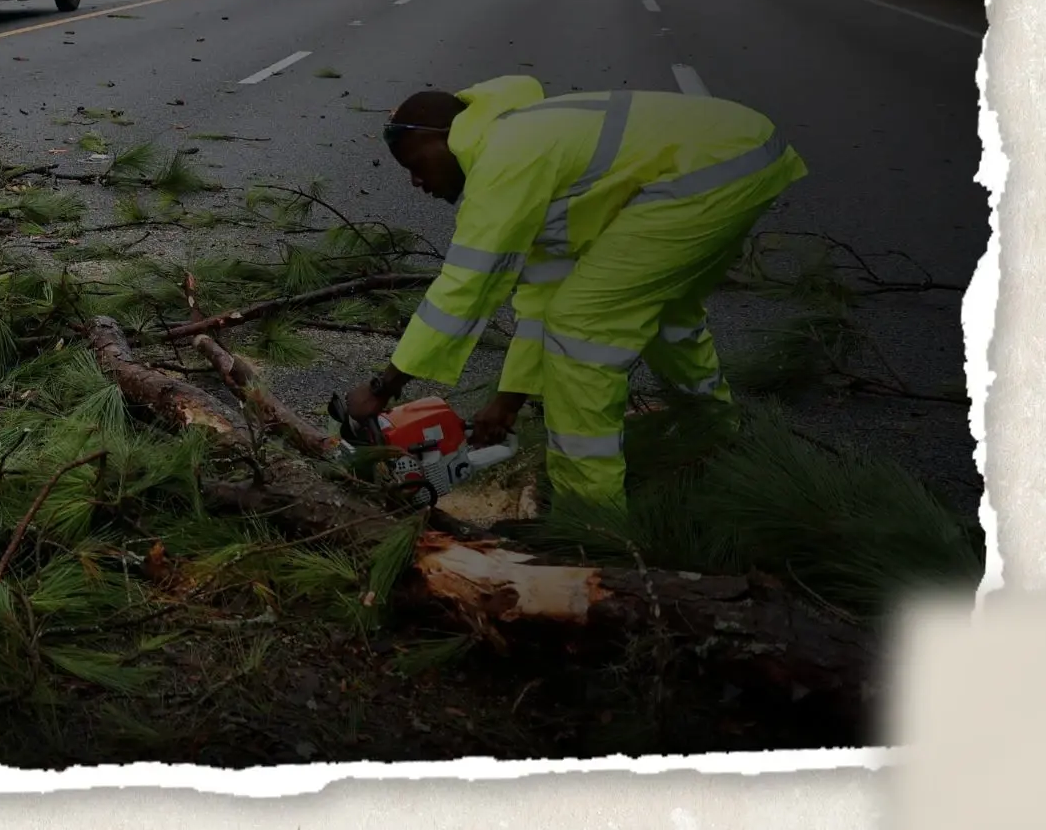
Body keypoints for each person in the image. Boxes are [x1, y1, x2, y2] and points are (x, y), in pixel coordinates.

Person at [331, 75, 808, 527]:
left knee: (583, 330)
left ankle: (590, 523)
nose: (416, 181)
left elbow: (465, 287)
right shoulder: (521, 143)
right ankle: (715, 432)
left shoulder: (503, 161)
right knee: (665, 313)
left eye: (416, 165)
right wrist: (507, 400)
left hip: (710, 172)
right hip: (742, 152)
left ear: (445, 135)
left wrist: (384, 386)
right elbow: (543, 292)